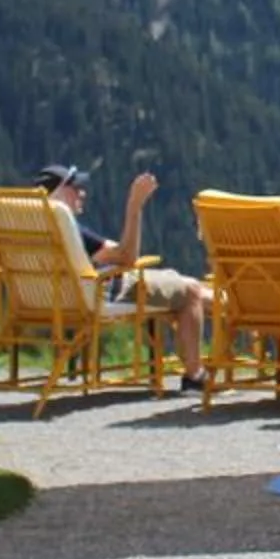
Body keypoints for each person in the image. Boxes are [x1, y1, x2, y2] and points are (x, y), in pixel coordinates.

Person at [37, 164, 208, 391]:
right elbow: (126, 257)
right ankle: (195, 374)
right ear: (57, 192)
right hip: (103, 292)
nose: (82, 193)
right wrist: (135, 205)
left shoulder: (29, 225)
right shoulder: (65, 224)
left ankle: (209, 360)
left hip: (52, 298)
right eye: (75, 187)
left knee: (184, 286)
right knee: (191, 291)